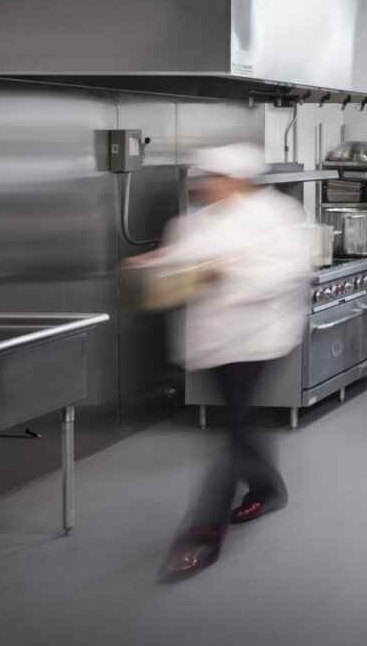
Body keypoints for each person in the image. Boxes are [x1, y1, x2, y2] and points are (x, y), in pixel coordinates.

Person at [130, 143, 307, 581]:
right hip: (211, 340)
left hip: (255, 337)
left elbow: (286, 273)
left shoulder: (276, 215)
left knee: (229, 432)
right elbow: (181, 264)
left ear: (239, 179)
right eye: (202, 177)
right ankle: (268, 488)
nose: (204, 184)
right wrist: (154, 262)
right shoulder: (192, 220)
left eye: (214, 177)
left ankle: (204, 533)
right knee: (239, 423)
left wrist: (229, 270)